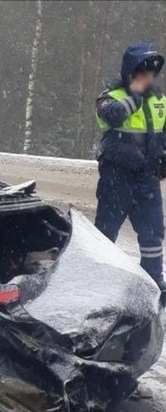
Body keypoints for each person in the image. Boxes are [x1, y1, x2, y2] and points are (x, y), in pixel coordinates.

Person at [95, 43, 166, 291]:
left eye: (151, 72)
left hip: (148, 178)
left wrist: (163, 158)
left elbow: (162, 133)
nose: (148, 77)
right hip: (117, 176)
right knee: (105, 232)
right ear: (129, 72)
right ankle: (95, 282)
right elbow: (112, 116)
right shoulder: (109, 97)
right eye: (142, 71)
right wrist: (135, 96)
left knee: (153, 232)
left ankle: (154, 280)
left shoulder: (159, 100)